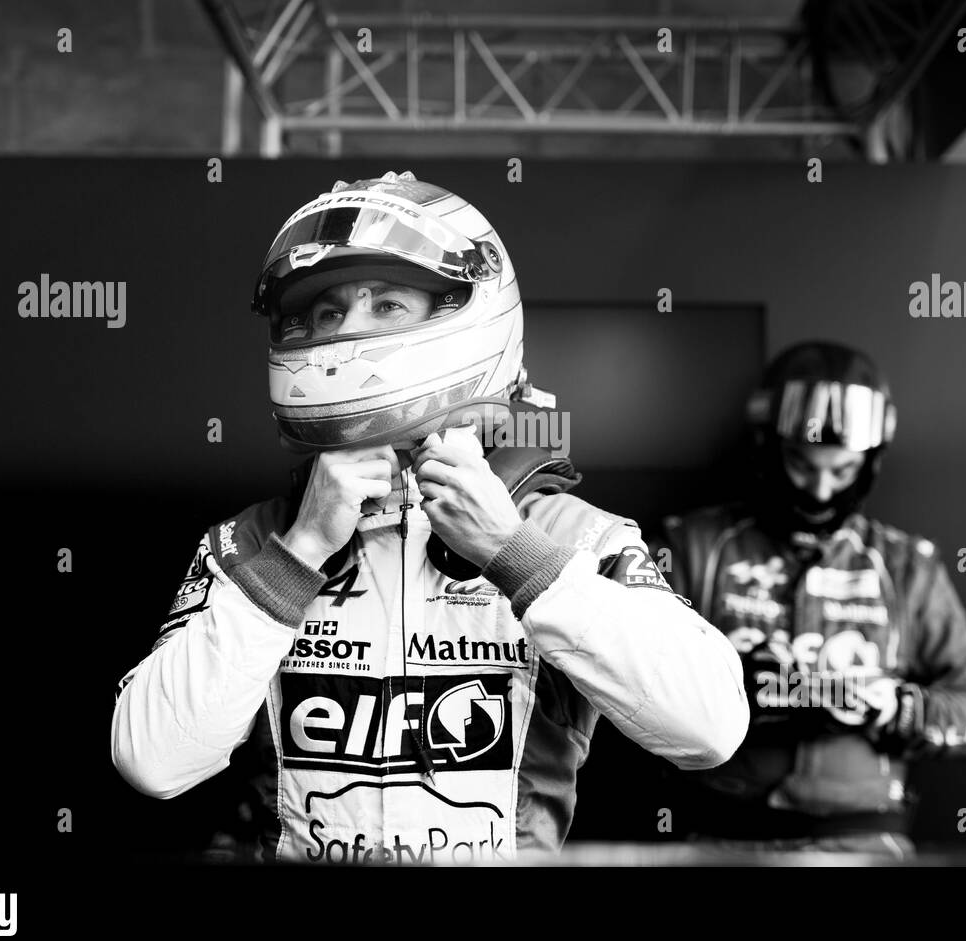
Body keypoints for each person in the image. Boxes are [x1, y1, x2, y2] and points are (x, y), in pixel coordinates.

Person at [110, 171, 749, 864]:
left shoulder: (574, 535)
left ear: (467, 314)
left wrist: (515, 554)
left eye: (387, 304)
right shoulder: (255, 541)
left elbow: (710, 727)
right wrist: (298, 556)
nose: (348, 328)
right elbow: (153, 761)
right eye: (327, 313)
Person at [657, 341, 966, 858]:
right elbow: (621, 692)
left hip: (864, 841)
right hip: (721, 837)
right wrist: (732, 687)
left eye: (841, 470)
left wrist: (896, 707)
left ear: (870, 463)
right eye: (801, 465)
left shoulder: (907, 565)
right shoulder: (693, 545)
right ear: (767, 449)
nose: (820, 490)